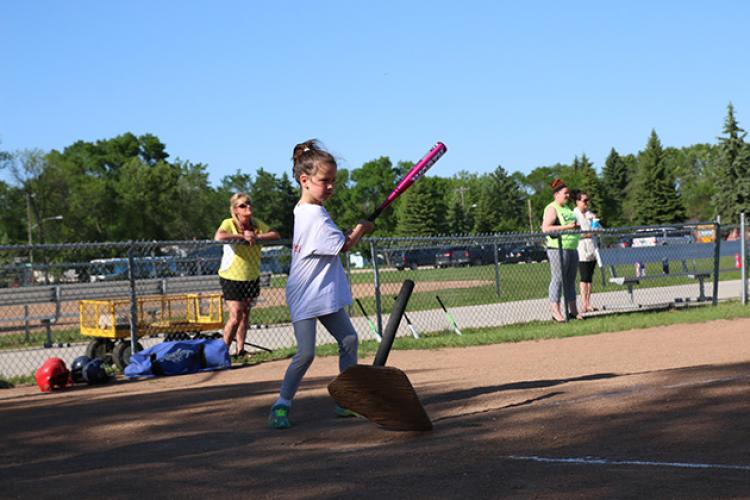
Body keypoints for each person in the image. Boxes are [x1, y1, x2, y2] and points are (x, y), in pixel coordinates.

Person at [268, 139, 374, 430]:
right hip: (305, 293)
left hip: (322, 291)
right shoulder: (313, 214)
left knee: (349, 340)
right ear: (305, 180)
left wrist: (355, 230)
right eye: (324, 181)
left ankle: (346, 399)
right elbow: (344, 246)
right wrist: (361, 229)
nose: (330, 187)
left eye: (333, 181)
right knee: (306, 353)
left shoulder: (304, 209)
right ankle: (281, 404)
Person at [214, 193, 280, 358]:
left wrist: (256, 237)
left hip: (251, 276)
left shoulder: (256, 223)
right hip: (231, 276)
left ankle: (240, 350)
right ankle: (222, 353)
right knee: (235, 315)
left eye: (249, 204)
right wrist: (242, 237)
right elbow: (219, 236)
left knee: (245, 315)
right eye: (243, 205)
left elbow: (275, 235)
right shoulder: (229, 223)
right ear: (236, 210)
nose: (247, 207)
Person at [541, 178, 581, 322]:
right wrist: (568, 227)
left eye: (568, 193)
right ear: (556, 194)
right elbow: (546, 228)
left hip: (571, 247)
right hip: (557, 248)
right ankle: (556, 312)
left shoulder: (567, 208)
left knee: (570, 280)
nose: (567, 195)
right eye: (565, 193)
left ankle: (573, 311)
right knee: (558, 280)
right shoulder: (552, 208)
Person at [571, 189, 600, 313]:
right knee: (584, 278)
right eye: (584, 200)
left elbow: (599, 229)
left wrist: (597, 225)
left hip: (592, 249)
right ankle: (584, 304)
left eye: (588, 200)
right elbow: (573, 234)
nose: (586, 203)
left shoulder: (590, 214)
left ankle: (589, 303)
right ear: (578, 202)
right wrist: (587, 235)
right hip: (581, 250)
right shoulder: (574, 215)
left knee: (589, 278)